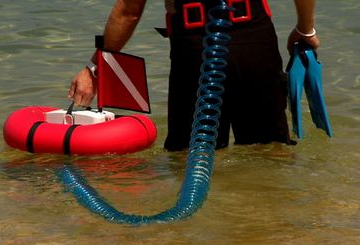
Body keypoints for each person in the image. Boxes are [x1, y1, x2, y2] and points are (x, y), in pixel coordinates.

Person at [68, 0, 320, 151]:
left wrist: (95, 67)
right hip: (256, 41)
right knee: (270, 152)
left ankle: (193, 238)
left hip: (195, 47)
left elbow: (129, 11)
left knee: (190, 156)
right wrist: (305, 28)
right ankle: (264, 232)